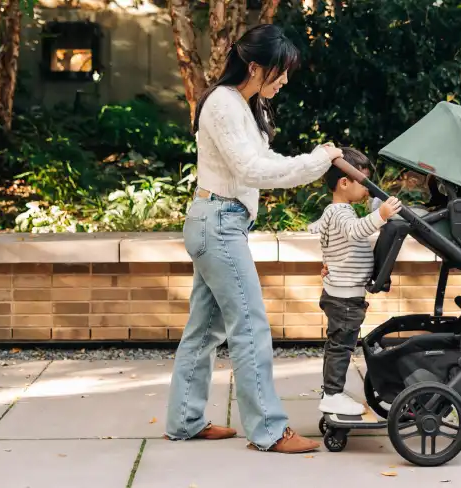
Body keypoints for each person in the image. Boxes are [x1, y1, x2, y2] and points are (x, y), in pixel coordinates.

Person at [165, 24, 344, 454]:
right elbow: (251, 170)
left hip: (220, 222)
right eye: (279, 72)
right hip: (218, 223)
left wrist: (313, 160)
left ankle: (184, 421)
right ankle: (268, 429)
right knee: (249, 326)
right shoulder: (223, 106)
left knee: (204, 330)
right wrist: (318, 162)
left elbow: (264, 161)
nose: (284, 81)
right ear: (255, 66)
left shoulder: (244, 105)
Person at [308, 148, 402, 415]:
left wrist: (331, 263)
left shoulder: (336, 211)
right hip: (345, 298)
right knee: (341, 346)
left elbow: (327, 239)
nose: (367, 189)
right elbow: (355, 231)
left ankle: (332, 392)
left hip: (342, 293)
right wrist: (381, 214)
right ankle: (333, 394)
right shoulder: (341, 213)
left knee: (339, 344)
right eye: (364, 182)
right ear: (344, 182)